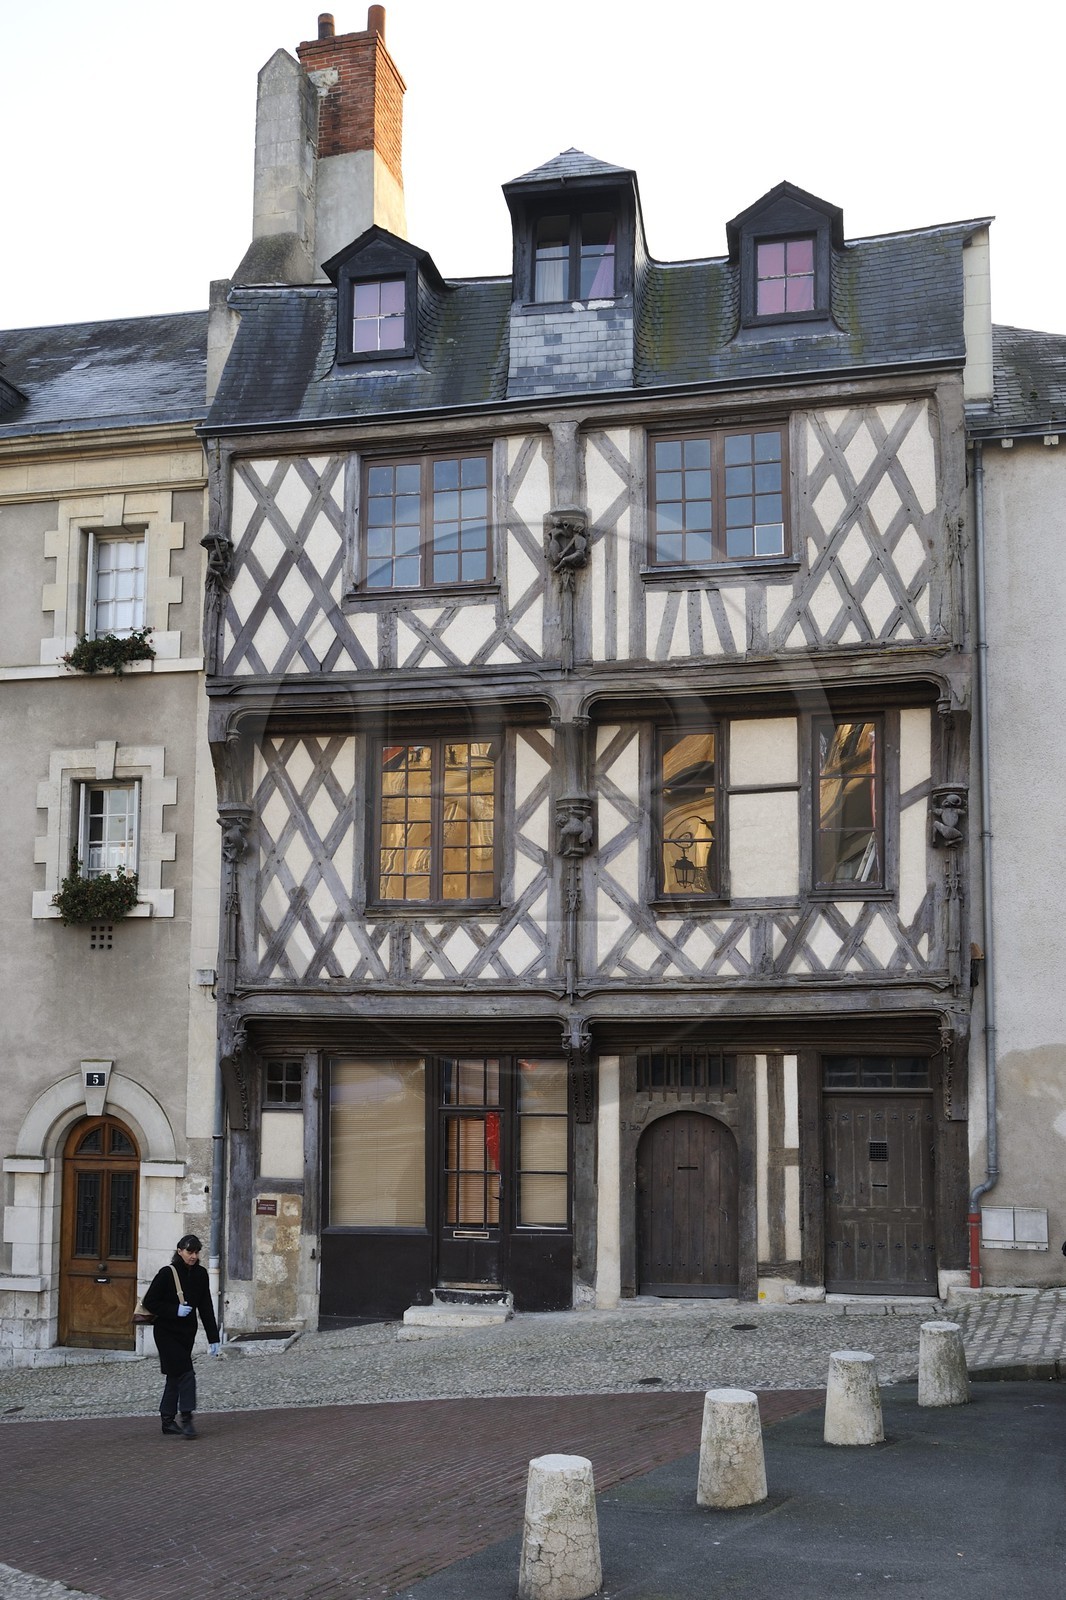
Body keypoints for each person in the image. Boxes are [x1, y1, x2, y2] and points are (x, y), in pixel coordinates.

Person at [142, 1234, 220, 1439]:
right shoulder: (167, 1273)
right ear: (179, 1251)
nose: (193, 1256)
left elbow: (206, 1307)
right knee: (186, 1373)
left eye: (196, 1252)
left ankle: (167, 1420)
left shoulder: (201, 1274)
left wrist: (213, 1337)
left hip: (186, 1333)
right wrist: (174, 1310)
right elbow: (150, 1301)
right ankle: (187, 1418)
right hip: (166, 1332)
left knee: (174, 1375)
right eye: (189, 1251)